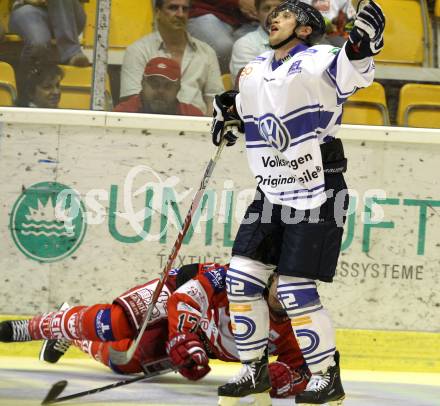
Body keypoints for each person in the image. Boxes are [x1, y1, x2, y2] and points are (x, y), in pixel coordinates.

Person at [210, 0, 385, 405]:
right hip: (273, 186)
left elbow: (352, 64)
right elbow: (245, 104)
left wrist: (362, 43)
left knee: (292, 287)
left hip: (319, 183)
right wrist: (227, 110)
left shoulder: (317, 59)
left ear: (305, 29)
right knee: (241, 275)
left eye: (286, 14)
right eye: (274, 14)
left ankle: (326, 376)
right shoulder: (254, 68)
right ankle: (253, 370)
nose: (274, 18)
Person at [0, 262, 311, 399]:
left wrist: (281, 379)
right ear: (272, 277)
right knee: (116, 323)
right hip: (174, 295)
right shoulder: (239, 279)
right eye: (283, 283)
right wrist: (183, 337)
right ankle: (33, 327)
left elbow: (300, 371)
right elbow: (187, 298)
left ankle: (69, 333)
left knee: (124, 360)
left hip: (197, 340)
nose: (285, 294)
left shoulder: (298, 326)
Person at [120, 0, 223, 115]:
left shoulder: (207, 52)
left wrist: (206, 130)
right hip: (149, 124)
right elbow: (132, 101)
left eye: (185, 9)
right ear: (157, 12)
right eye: (173, 8)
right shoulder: (138, 50)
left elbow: (215, 101)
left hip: (196, 126)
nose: (180, 14)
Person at [8, 0, 89, 66]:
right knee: (38, 46)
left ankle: (71, 53)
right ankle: (27, 81)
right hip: (28, 8)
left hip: (68, 12)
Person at [187, 0, 259, 74]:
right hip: (208, 10)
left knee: (258, 49)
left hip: (249, 21)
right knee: (223, 48)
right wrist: (238, 2)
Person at [114, 57, 203, 116]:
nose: (160, 90)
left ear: (178, 88)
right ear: (143, 83)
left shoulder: (193, 116)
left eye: (168, 85)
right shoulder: (123, 113)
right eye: (154, 83)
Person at [230, 0, 283, 85]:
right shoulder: (245, 44)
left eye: (280, 8)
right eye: (266, 8)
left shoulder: (303, 41)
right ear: (257, 14)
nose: (273, 13)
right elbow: (252, 87)